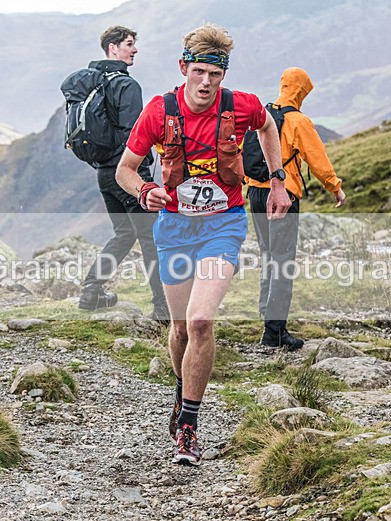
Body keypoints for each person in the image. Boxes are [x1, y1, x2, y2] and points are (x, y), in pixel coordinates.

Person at [116, 24, 291, 466]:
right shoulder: (158, 111)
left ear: (223, 74)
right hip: (174, 228)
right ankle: (182, 390)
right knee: (177, 330)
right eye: (199, 73)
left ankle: (189, 428)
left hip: (223, 226)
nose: (207, 83)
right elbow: (125, 169)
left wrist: (276, 181)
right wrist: (144, 191)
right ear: (184, 69)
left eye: (215, 75)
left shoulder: (242, 106)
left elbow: (270, 127)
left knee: (199, 322)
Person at [246, 67, 346, 351]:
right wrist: (335, 186)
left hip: (255, 192)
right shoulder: (298, 121)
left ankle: (267, 315)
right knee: (282, 260)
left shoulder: (261, 114)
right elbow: (317, 158)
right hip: (283, 195)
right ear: (301, 90)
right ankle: (274, 332)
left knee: (268, 255)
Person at [76, 25, 168, 321]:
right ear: (112, 48)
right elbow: (134, 136)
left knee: (124, 232)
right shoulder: (127, 86)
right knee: (152, 237)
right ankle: (164, 308)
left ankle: (92, 290)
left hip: (103, 173)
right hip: (128, 175)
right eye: (129, 44)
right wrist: (140, 176)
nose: (134, 49)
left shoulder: (93, 85)